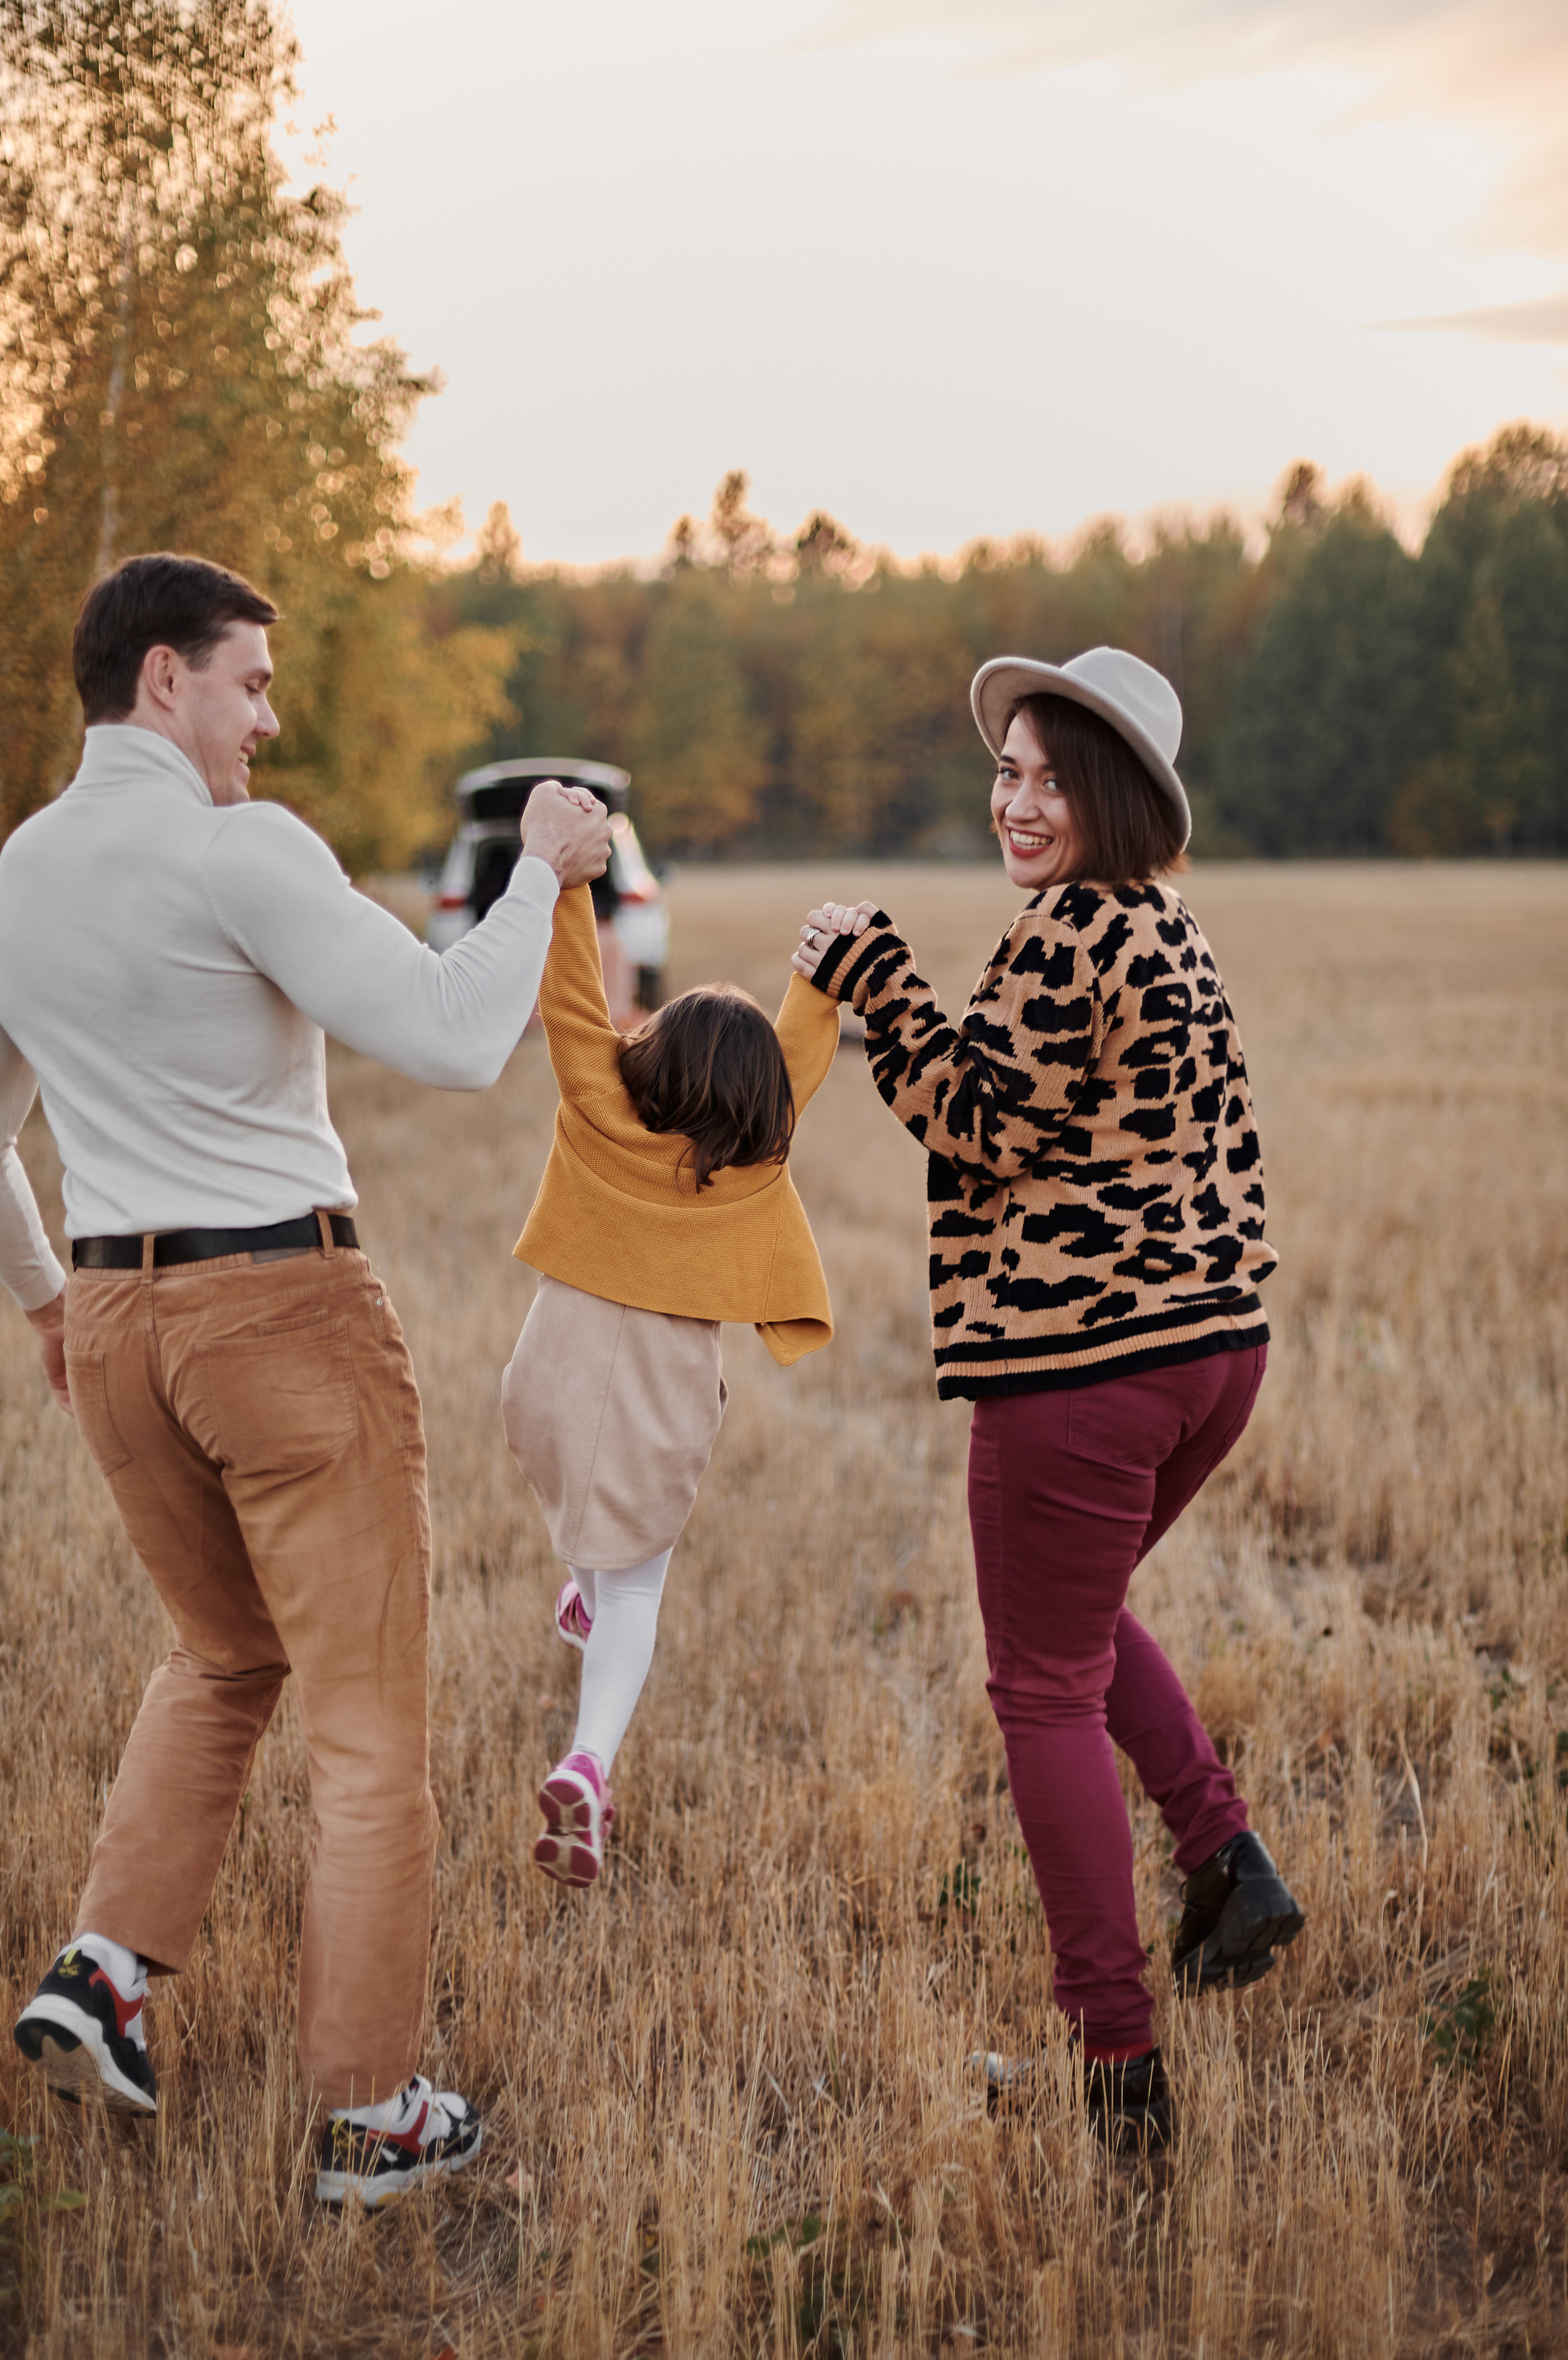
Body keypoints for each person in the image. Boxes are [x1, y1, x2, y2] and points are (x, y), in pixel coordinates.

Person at [0, 553, 611, 2207]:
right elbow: (454, 1036)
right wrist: (542, 871)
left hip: (120, 1330)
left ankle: (106, 1975)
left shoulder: (18, 877)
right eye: (250, 683)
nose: (268, 720)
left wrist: (53, 1304)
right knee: (365, 1730)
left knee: (222, 1653)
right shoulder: (235, 846)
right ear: (161, 681)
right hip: (283, 1312)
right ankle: (371, 2115)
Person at [792, 647, 1305, 2154]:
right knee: (1068, 1635)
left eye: (1046, 776)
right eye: (1005, 771)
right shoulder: (1166, 930)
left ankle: (1116, 2061)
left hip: (1085, 1368)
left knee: (1039, 1687)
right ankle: (1226, 1863)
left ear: (1113, 796)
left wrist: (872, 973)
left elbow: (970, 1121)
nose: (1015, 801)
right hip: (1215, 1356)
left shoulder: (1063, 937)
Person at [500, 881, 838, 1884]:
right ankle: (590, 1762)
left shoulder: (600, 1113)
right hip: (658, 1394)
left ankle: (581, 1600)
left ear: (648, 1056)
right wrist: (816, 976)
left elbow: (570, 1004)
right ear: (758, 1103)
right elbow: (799, 1060)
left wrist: (570, 887)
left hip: (548, 1376)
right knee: (639, 1578)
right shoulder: (751, 1162)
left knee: (588, 1517)